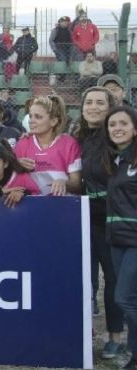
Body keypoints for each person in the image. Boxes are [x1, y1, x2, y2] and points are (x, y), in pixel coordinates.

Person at [72, 87, 124, 357]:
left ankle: (115, 337)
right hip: (81, 217)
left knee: (113, 279)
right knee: (84, 279)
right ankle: (85, 334)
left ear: (110, 107)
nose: (93, 107)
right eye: (88, 102)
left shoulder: (116, 138)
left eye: (100, 103)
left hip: (110, 218)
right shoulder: (78, 137)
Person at [102, 106, 137, 369]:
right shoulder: (114, 159)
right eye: (112, 124)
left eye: (123, 123)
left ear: (134, 128)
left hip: (134, 238)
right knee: (130, 298)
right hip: (117, 237)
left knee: (123, 298)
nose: (117, 128)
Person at [14, 95, 81, 196]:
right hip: (31, 205)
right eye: (30, 116)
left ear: (53, 121)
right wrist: (16, 166)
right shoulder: (22, 143)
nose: (31, 120)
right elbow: (9, 180)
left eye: (38, 117)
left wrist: (64, 183)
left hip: (62, 204)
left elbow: (77, 184)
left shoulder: (69, 143)